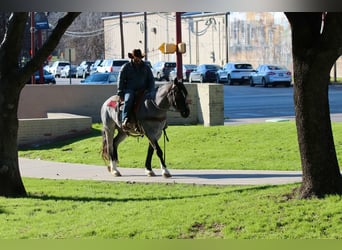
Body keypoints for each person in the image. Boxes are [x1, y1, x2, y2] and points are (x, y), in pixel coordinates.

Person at [117, 49, 155, 130]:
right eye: (136, 57)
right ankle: (125, 119)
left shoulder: (146, 68)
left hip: (143, 91)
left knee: (152, 101)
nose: (138, 59)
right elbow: (121, 80)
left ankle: (154, 120)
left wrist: (151, 90)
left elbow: (151, 80)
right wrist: (120, 93)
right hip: (130, 90)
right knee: (128, 100)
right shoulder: (126, 67)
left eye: (139, 58)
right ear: (133, 57)